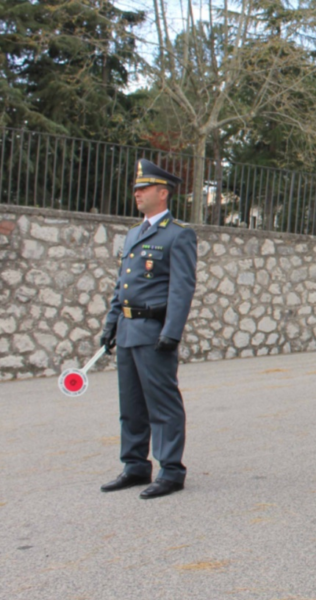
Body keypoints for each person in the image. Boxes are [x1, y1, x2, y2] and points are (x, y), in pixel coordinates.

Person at [99, 159, 197, 498]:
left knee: (162, 403)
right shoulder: (133, 234)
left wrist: (172, 331)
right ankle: (136, 466)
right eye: (136, 188)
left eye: (144, 188)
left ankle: (171, 470)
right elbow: (122, 285)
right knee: (131, 404)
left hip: (154, 330)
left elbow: (182, 288)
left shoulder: (178, 235)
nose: (137, 193)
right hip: (128, 330)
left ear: (163, 192)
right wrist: (111, 325)